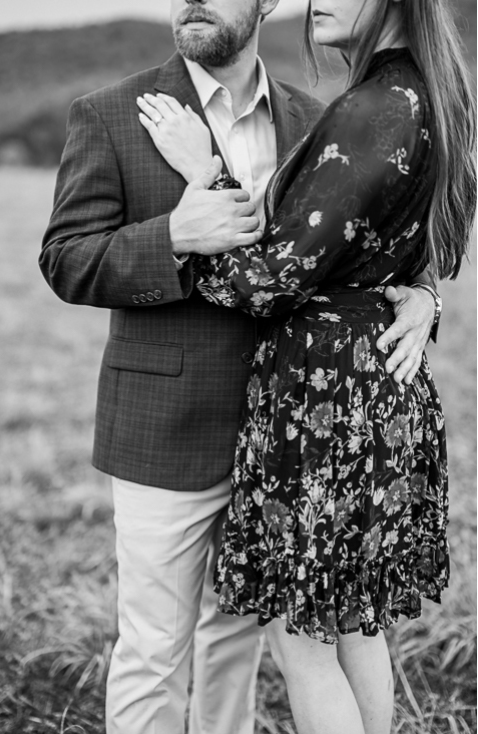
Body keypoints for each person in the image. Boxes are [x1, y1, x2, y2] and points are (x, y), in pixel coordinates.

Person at [38, 0, 440, 732]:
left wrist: (423, 296)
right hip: (166, 432)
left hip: (293, 440)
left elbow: (360, 239)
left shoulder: (315, 114)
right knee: (155, 646)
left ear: (266, 3)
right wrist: (172, 236)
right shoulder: (111, 112)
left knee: (237, 639)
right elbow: (65, 260)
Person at [136, 0, 474, 731]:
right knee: (355, 625)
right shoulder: (423, 93)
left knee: (305, 636)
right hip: (375, 388)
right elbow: (397, 248)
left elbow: (267, 281)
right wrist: (419, 294)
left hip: (326, 403)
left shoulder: (374, 106)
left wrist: (205, 172)